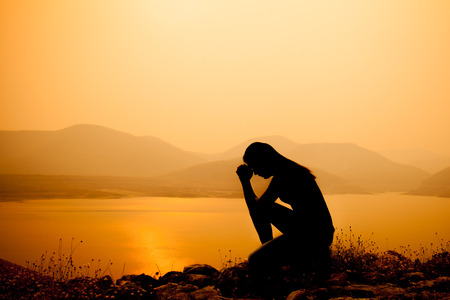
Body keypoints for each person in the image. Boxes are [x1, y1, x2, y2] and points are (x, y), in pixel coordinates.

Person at [236, 142, 334, 279]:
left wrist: (245, 182)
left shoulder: (285, 175)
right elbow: (260, 208)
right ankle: (269, 251)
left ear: (263, 161)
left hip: (312, 235)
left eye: (255, 167)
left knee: (255, 259)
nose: (256, 173)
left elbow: (257, 209)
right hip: (317, 232)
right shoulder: (289, 170)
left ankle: (273, 275)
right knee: (263, 208)